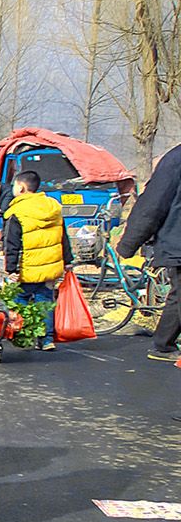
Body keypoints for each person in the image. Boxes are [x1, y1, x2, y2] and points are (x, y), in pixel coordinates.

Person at [116, 144, 181, 362]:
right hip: (177, 240)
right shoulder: (176, 159)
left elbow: (152, 203)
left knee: (178, 296)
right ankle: (163, 345)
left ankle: (164, 344)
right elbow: (153, 205)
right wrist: (129, 244)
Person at [3, 169, 73, 351]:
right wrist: (68, 260)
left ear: (22, 187)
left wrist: (11, 269)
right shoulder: (52, 206)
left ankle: (25, 335)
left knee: (21, 299)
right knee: (45, 300)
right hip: (51, 266)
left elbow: (12, 243)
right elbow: (62, 236)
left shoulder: (16, 211)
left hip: (28, 268)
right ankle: (47, 339)